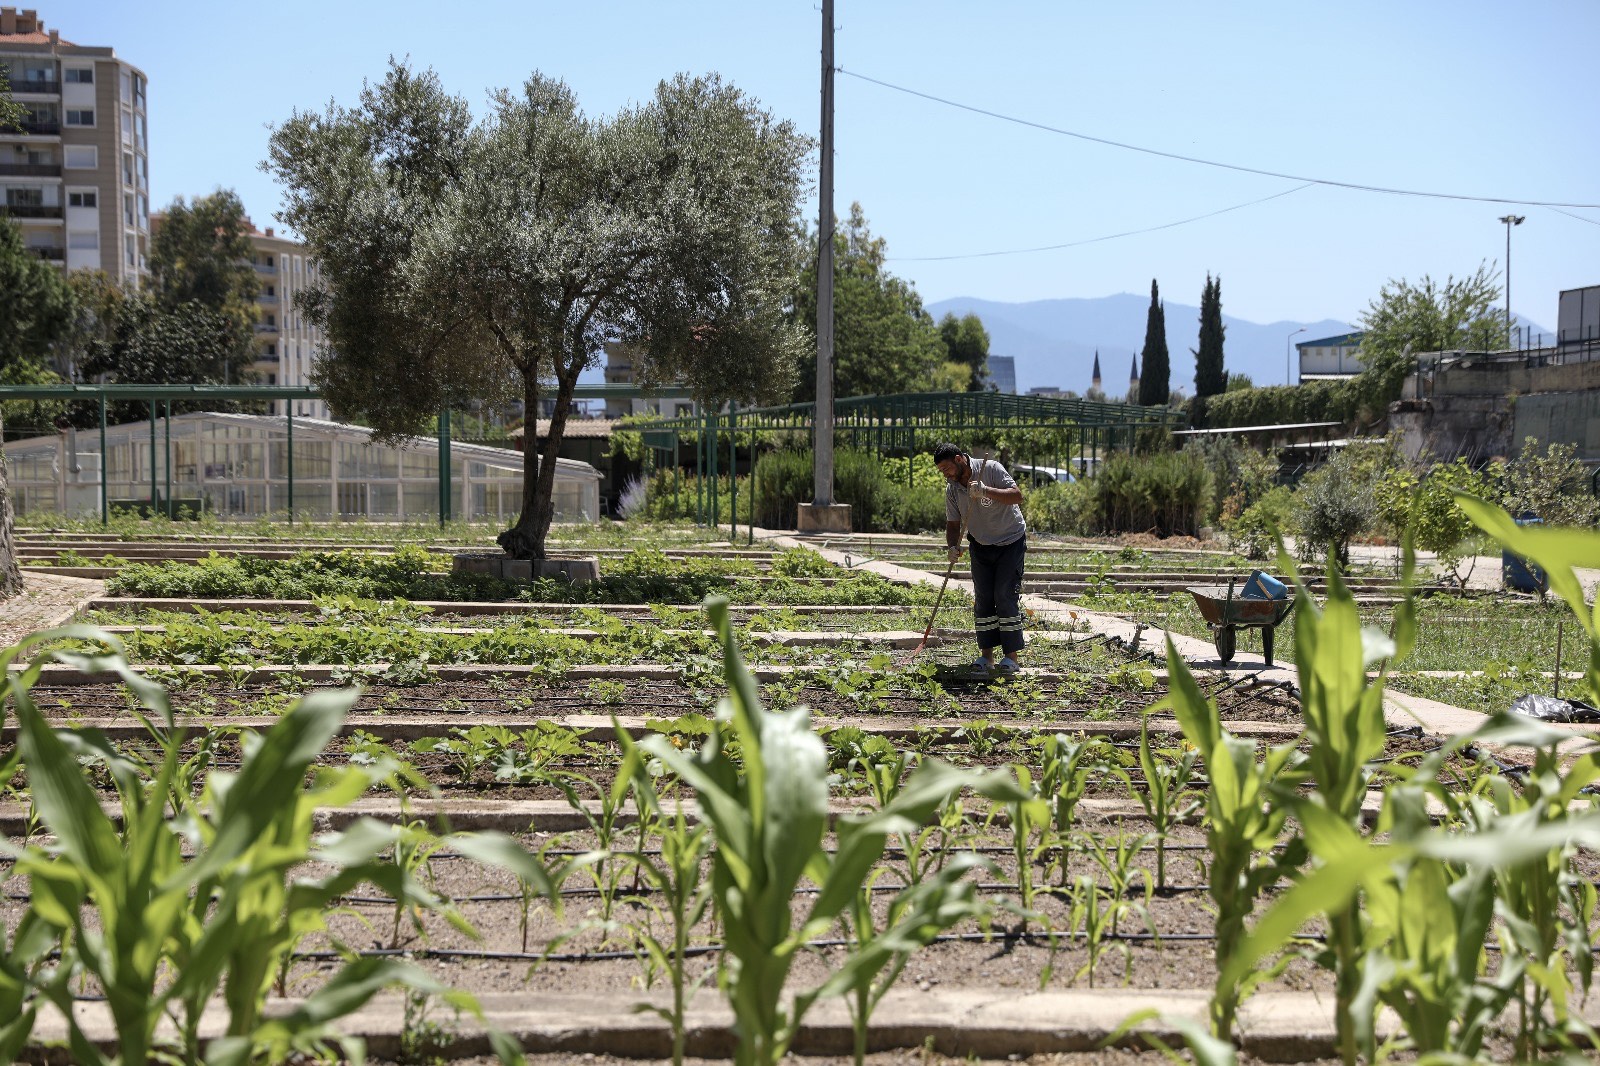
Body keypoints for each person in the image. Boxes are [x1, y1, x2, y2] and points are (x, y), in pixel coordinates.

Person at [932, 441, 1027, 677]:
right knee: (983, 599)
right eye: (941, 472)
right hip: (980, 544)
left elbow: (1017, 496)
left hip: (1010, 541)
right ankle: (986, 657)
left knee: (1004, 595)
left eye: (947, 469)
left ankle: (1011, 658)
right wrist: (952, 546)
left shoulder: (991, 469)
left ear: (959, 459)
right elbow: (953, 524)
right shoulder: (952, 489)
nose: (945, 475)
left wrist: (985, 491)